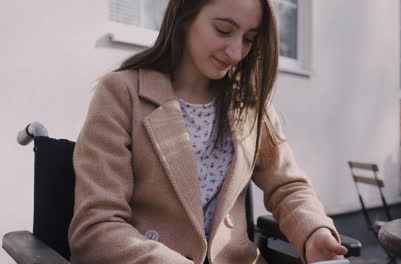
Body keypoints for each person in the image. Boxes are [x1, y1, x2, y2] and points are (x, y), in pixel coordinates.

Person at [68, 0, 348, 263]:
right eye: (223, 30)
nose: (236, 52)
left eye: (249, 38)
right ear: (185, 15)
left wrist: (313, 231)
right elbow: (97, 227)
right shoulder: (122, 94)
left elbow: (287, 186)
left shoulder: (248, 105)